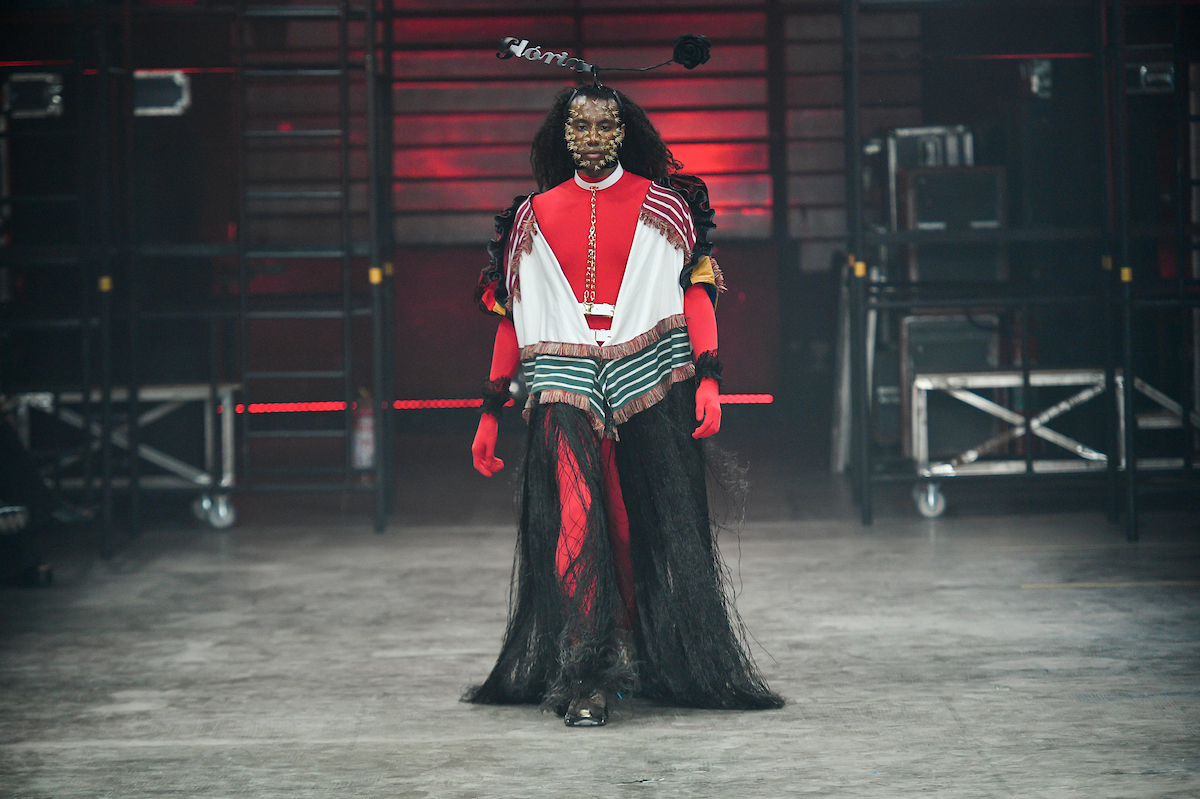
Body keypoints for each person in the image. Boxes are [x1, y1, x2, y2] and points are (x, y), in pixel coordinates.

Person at [467, 84, 783, 726]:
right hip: (563, 382)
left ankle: (638, 651)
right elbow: (512, 315)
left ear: (622, 131)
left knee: (632, 524)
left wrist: (710, 377)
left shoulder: (667, 208)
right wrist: (489, 411)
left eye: (603, 125)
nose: (591, 138)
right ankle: (585, 672)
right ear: (563, 134)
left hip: (649, 381)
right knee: (575, 523)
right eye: (579, 126)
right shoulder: (530, 218)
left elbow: (696, 292)